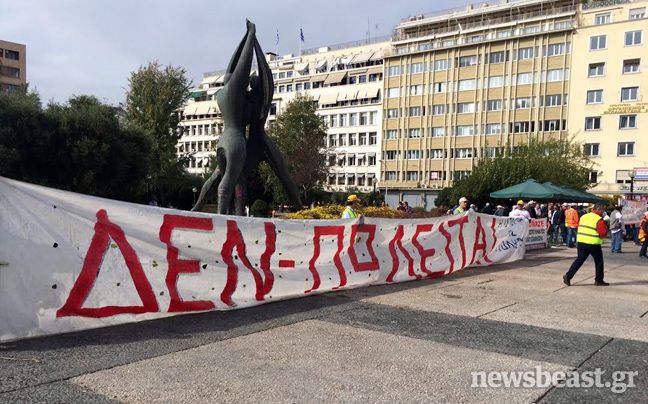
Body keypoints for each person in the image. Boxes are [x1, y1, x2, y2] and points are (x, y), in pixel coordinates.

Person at [563, 203, 609, 287]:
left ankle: (568, 275)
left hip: (581, 241)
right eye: (603, 210)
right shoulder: (599, 219)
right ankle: (599, 280)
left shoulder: (584, 216)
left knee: (579, 260)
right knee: (599, 262)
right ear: (599, 209)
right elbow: (603, 233)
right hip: (593, 243)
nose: (603, 212)